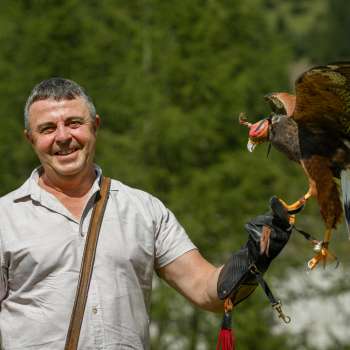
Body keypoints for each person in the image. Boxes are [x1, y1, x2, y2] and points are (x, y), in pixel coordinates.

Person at [0, 78, 292, 350]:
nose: (63, 137)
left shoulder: (144, 209)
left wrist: (254, 257)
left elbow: (206, 290)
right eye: (48, 128)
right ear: (30, 138)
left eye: (74, 123)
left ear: (95, 126)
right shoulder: (5, 218)